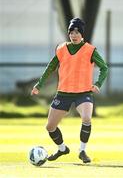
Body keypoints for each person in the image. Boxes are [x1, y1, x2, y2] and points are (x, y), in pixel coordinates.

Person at [31, 18, 108, 163]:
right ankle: (62, 149)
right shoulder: (61, 49)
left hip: (83, 93)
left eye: (77, 32)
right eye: (71, 32)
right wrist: (39, 84)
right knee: (50, 126)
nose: (74, 35)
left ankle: (82, 151)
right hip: (63, 93)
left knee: (86, 118)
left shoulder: (90, 50)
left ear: (82, 34)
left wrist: (98, 83)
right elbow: (50, 67)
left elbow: (104, 68)